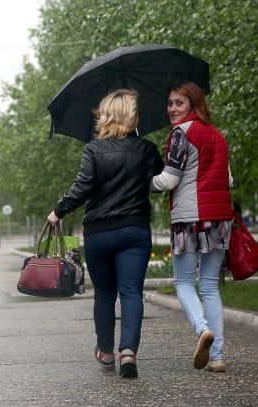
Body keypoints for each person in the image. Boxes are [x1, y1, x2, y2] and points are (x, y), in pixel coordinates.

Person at [47, 89, 164, 379]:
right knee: (131, 292)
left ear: (106, 115)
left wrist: (58, 211)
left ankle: (106, 351)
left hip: (99, 232)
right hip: (135, 230)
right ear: (132, 116)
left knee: (105, 294)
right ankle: (128, 352)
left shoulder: (93, 150)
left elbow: (81, 187)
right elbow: (161, 181)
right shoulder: (148, 149)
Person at [151, 82, 234, 373]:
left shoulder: (181, 134)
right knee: (210, 285)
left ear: (193, 104)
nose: (172, 108)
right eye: (170, 103)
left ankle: (202, 330)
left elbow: (169, 180)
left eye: (179, 103)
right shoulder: (218, 136)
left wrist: (143, 181)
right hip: (221, 218)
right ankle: (218, 357)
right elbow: (229, 181)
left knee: (184, 282)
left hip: (190, 218)